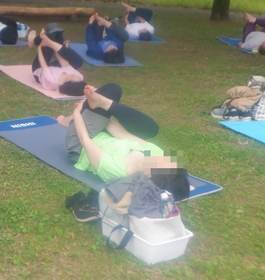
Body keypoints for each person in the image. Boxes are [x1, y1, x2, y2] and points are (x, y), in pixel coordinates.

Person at [57, 83, 189, 200]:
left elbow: (84, 139)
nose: (164, 158)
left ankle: (69, 120)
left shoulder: (116, 171)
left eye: (163, 162)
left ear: (148, 175)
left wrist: (78, 112)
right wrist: (101, 113)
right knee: (115, 91)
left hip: (80, 145)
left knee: (109, 91)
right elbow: (122, 134)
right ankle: (100, 104)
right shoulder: (157, 154)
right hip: (106, 136)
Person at [31, 28, 86, 96]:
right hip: (53, 68)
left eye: (72, 76)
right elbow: (65, 64)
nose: (74, 74)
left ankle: (34, 40)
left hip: (40, 68)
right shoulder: (79, 77)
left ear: (68, 82)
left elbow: (43, 65)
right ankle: (54, 35)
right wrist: (55, 48)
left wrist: (39, 49)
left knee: (49, 38)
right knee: (53, 38)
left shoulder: (52, 80)